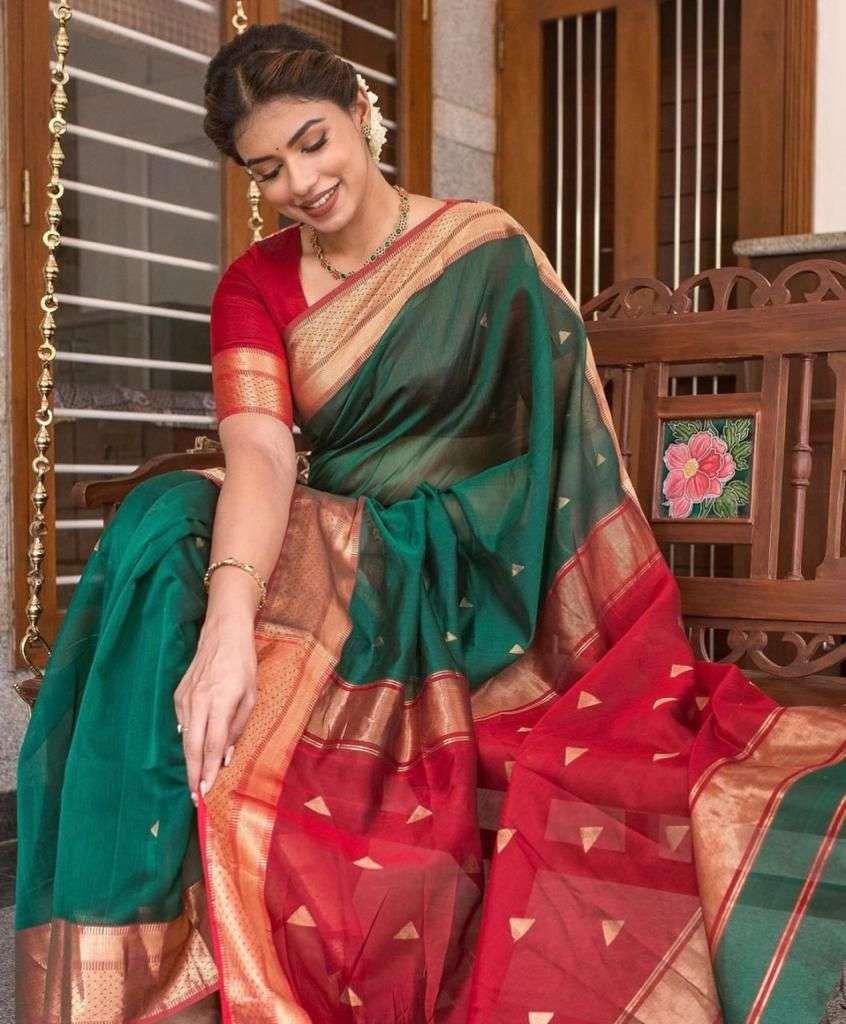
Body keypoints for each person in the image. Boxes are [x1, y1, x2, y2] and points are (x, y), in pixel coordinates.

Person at [14, 21, 845, 1024]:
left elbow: (558, 448)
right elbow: (263, 451)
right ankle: (135, 962)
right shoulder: (254, 284)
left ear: (361, 111)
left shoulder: (484, 248)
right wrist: (228, 626)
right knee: (165, 516)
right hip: (340, 567)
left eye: (313, 142)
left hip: (481, 569)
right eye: (268, 170)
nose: (300, 183)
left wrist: (437, 536)